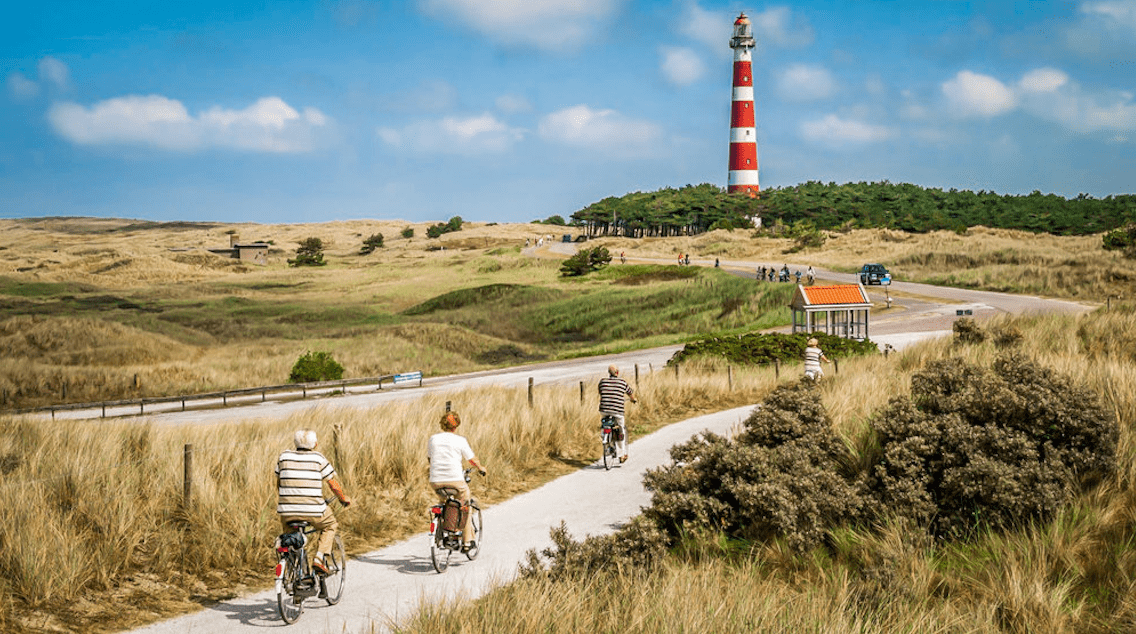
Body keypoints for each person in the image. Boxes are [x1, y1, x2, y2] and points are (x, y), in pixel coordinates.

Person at [276, 429, 352, 576]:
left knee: (291, 537)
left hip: (286, 511)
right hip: (314, 511)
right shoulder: (318, 458)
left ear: (295, 443)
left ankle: (295, 573)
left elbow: (278, 483)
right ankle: (318, 558)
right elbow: (333, 484)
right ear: (315, 444)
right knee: (331, 525)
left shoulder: (283, 457)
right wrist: (343, 498)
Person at [427, 411, 486, 552]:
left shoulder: (433, 439)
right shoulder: (460, 440)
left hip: (435, 481)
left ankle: (441, 533)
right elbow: (471, 459)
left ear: (442, 424)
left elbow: (430, 458)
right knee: (464, 506)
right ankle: (467, 542)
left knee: (443, 502)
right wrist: (481, 467)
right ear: (456, 425)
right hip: (456, 481)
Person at [598, 365, 637, 463]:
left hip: (604, 409)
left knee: (605, 424)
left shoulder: (602, 381)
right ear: (617, 372)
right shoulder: (622, 382)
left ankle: (605, 439)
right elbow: (629, 393)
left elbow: (600, 392)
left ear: (608, 373)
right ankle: (622, 454)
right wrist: (633, 400)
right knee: (621, 429)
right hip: (617, 411)